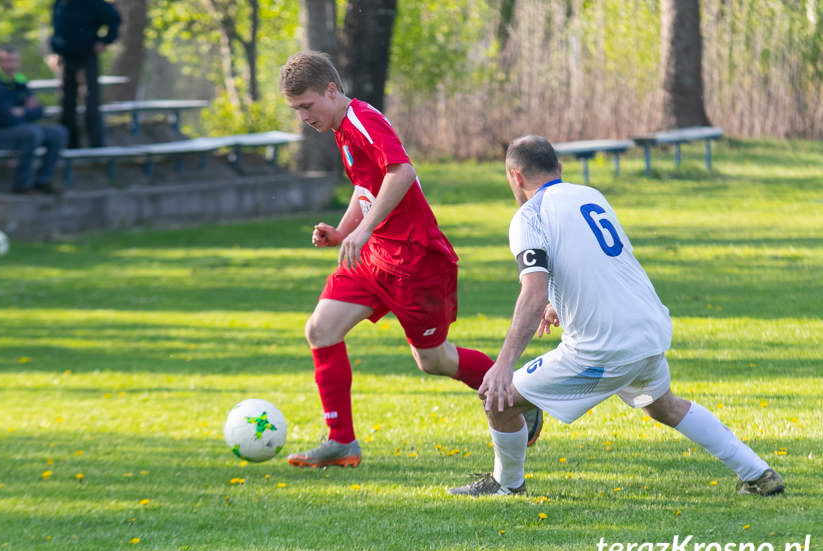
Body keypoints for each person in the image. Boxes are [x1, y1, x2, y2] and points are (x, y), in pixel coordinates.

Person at [449, 135, 784, 497]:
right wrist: (558, 305)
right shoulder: (591, 195)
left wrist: (503, 364)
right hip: (649, 329)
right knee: (664, 406)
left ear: (515, 177)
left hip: (602, 349)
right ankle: (759, 474)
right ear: (559, 168)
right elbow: (603, 262)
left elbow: (533, 290)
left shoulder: (528, 216)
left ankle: (507, 485)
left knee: (499, 398)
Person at [279, 51, 543, 468]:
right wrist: (345, 232)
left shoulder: (362, 119)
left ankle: (518, 397)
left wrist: (362, 231)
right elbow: (367, 186)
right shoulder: (340, 129)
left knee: (433, 360)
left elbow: (401, 172)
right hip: (375, 257)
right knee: (321, 329)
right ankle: (341, 441)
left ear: (331, 91)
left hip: (415, 261)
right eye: (296, 110)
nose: (303, 117)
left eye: (307, 106)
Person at [0, 45, 68, 194]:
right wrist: (26, 110)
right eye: (7, 61)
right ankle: (22, 184)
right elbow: (6, 117)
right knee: (31, 133)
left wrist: (22, 111)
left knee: (59, 133)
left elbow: (39, 110)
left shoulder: (19, 81)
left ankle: (43, 181)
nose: (11, 65)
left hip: (18, 129)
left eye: (14, 61)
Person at [50, 0, 121, 148]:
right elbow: (57, 29)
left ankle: (96, 144)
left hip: (87, 56)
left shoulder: (91, 2)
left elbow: (114, 19)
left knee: (91, 100)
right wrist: (56, 51)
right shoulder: (60, 4)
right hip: (66, 58)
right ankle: (70, 144)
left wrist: (105, 41)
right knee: (67, 103)